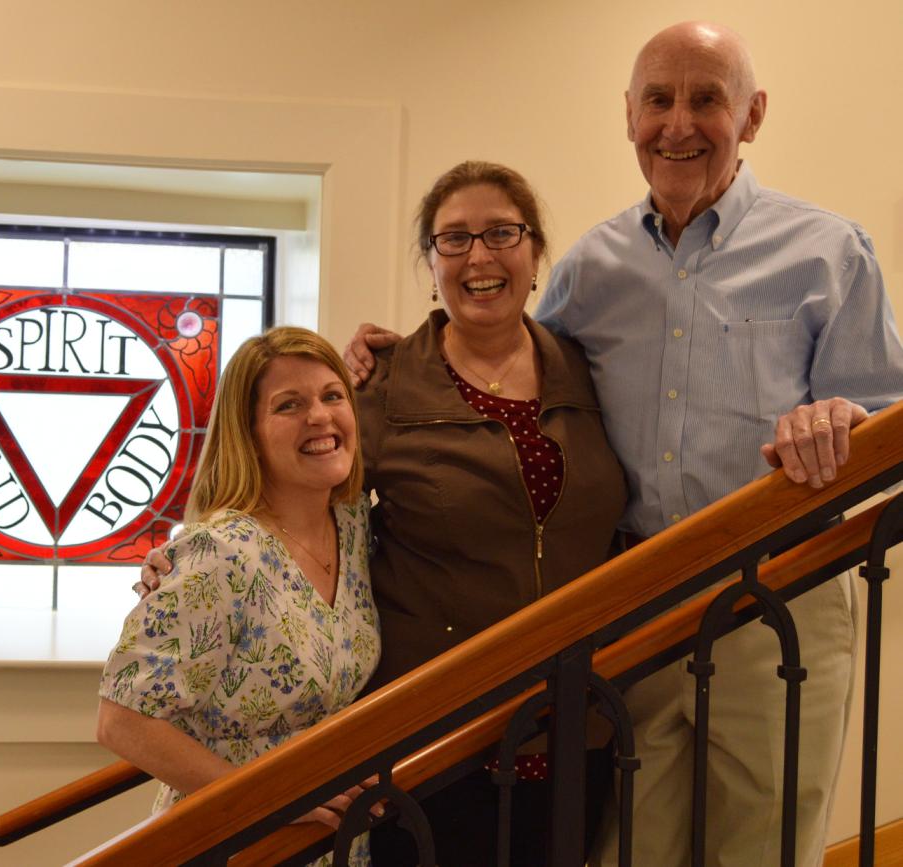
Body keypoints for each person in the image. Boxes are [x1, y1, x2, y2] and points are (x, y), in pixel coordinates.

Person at [345, 22, 903, 867]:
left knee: (758, 847)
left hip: (779, 594)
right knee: (624, 846)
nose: (678, 123)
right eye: (658, 100)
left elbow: (884, 416)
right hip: (633, 600)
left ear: (751, 116)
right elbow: (504, 360)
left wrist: (841, 420)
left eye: (706, 98)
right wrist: (389, 358)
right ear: (629, 117)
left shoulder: (829, 251)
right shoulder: (589, 268)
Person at [142, 162, 629, 866]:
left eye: (501, 233)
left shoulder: (590, 369)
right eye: (453, 239)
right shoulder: (379, 384)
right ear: (430, 265)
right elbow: (286, 488)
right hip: (433, 740)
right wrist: (187, 552)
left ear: (534, 253)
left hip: (575, 728)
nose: (479, 257)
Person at [98, 326, 380, 866]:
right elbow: (122, 722)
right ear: (248, 433)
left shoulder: (356, 527)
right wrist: (269, 799)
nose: (318, 417)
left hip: (331, 840)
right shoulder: (217, 552)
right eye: (289, 405)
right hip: (238, 839)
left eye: (331, 396)